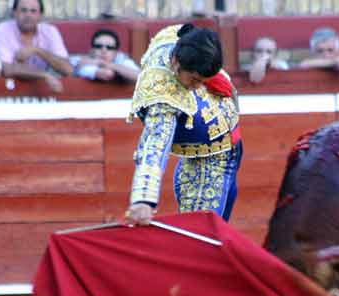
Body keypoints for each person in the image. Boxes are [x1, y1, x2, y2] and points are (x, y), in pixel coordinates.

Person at [124, 24, 242, 226]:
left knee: (216, 235)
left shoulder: (177, 40)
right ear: (175, 61)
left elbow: (188, 31)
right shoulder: (162, 94)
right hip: (205, 163)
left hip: (231, 146)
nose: (198, 87)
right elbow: (155, 143)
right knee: (201, 239)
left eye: (204, 81)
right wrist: (143, 199)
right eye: (195, 80)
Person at [0, 0, 72, 93]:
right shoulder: (1, 31)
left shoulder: (50, 31)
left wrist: (37, 50)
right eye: (23, 10)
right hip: (9, 92)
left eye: (33, 11)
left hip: (41, 92)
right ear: (14, 13)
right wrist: (44, 75)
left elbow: (67, 69)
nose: (28, 15)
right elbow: (7, 70)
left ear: (40, 16)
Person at [70, 29, 140, 83]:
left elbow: (141, 77)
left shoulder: (121, 59)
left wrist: (103, 63)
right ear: (92, 50)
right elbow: (107, 74)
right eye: (98, 46)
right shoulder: (82, 62)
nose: (104, 50)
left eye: (109, 47)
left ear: (116, 53)